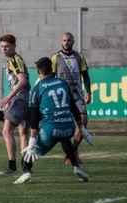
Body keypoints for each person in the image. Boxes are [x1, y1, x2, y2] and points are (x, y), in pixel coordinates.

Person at [14, 57, 93, 184]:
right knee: (65, 140)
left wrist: (32, 142)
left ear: (38, 72)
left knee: (27, 153)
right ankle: (75, 167)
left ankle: (26, 171)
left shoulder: (37, 88)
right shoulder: (63, 83)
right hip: (69, 127)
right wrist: (82, 129)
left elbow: (34, 117)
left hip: (50, 131)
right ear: (52, 69)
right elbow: (74, 108)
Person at [51, 32, 92, 164]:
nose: (66, 42)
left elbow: (85, 75)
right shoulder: (55, 57)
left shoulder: (79, 57)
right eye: (64, 40)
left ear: (73, 42)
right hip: (62, 97)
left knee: (83, 122)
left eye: (69, 40)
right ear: (61, 42)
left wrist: (89, 92)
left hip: (77, 96)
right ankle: (69, 154)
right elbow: (51, 78)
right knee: (64, 126)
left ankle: (74, 150)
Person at [0, 34, 31, 175]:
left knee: (6, 131)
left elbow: (22, 81)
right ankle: (26, 167)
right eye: (2, 47)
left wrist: (8, 97)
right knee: (23, 133)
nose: (4, 49)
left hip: (20, 98)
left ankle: (12, 167)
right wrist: (9, 101)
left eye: (7, 46)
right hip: (25, 98)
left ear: (14, 46)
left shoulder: (15, 60)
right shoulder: (14, 60)